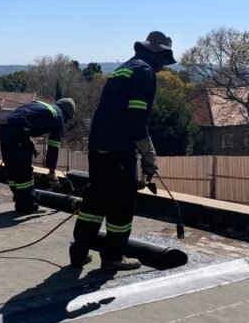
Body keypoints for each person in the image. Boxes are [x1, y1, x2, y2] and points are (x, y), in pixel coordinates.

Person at [69, 31, 175, 270]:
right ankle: (113, 257)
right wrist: (148, 155)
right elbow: (136, 118)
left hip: (98, 148)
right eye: (164, 61)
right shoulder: (145, 73)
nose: (163, 68)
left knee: (95, 201)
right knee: (121, 205)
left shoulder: (123, 70)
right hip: (119, 151)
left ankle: (79, 251)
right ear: (159, 55)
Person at [0, 98, 76, 213]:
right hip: (18, 129)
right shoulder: (59, 116)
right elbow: (53, 146)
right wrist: (51, 171)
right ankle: (29, 206)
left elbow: (25, 117)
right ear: (67, 114)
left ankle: (20, 204)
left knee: (12, 167)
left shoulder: (43, 105)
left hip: (4, 125)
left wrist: (28, 140)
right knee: (24, 169)